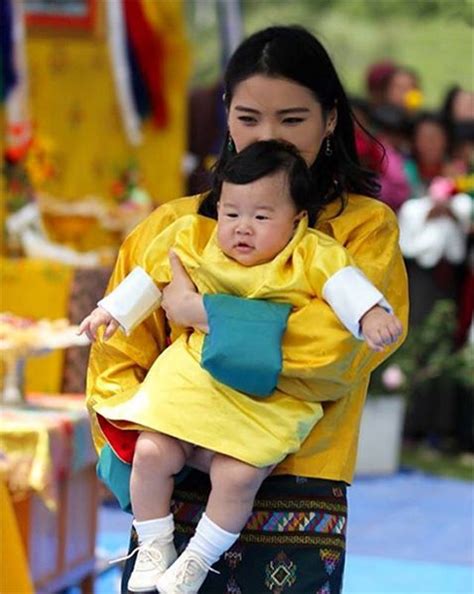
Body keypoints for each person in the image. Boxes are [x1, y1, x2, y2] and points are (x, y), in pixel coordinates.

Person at [86, 26, 409, 594]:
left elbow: (329, 355)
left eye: (292, 119)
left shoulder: (361, 231)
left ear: (330, 119)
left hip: (295, 476)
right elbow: (116, 354)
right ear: (226, 115)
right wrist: (142, 446)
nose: (269, 136)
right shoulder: (173, 226)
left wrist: (197, 311)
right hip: (172, 477)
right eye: (248, 117)